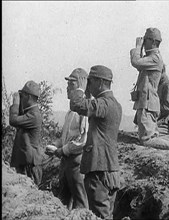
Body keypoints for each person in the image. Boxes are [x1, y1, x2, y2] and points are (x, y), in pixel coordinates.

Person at [69, 65, 122, 219]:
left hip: (99, 170)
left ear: (99, 82)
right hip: (110, 169)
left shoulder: (105, 103)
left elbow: (77, 105)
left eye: (90, 82)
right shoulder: (114, 104)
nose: (88, 86)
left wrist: (80, 90)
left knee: (99, 216)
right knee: (105, 215)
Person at [46, 68, 89, 210]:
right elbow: (65, 136)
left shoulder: (85, 111)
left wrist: (62, 150)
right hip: (66, 163)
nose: (67, 88)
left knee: (80, 203)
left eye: (71, 84)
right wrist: (55, 145)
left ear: (80, 87)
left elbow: (82, 141)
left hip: (77, 163)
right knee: (63, 201)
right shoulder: (70, 112)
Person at [130, 27, 169, 150]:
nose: (144, 42)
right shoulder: (151, 57)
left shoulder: (155, 58)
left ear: (153, 41)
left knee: (146, 140)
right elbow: (139, 64)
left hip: (148, 103)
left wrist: (137, 47)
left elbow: (135, 62)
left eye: (146, 40)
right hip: (146, 102)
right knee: (148, 137)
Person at [9, 80, 43, 185]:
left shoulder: (34, 115)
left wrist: (15, 103)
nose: (20, 98)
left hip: (30, 166)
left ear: (28, 97)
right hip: (25, 163)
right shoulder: (29, 113)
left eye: (22, 96)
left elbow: (13, 120)